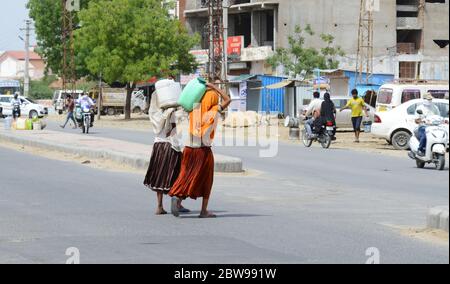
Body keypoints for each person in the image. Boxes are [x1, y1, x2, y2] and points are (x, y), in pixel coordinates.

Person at [169, 79, 231, 218]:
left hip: (189, 148)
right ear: (213, 100)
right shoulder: (213, 110)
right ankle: (203, 211)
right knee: (206, 179)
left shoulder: (194, 108)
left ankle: (177, 197)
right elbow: (228, 99)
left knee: (185, 175)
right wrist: (214, 87)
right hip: (203, 150)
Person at [143, 92, 186, 215]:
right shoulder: (173, 112)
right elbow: (179, 125)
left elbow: (159, 126)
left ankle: (159, 206)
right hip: (172, 146)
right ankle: (177, 201)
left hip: (158, 146)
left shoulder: (154, 113)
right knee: (177, 174)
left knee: (159, 176)